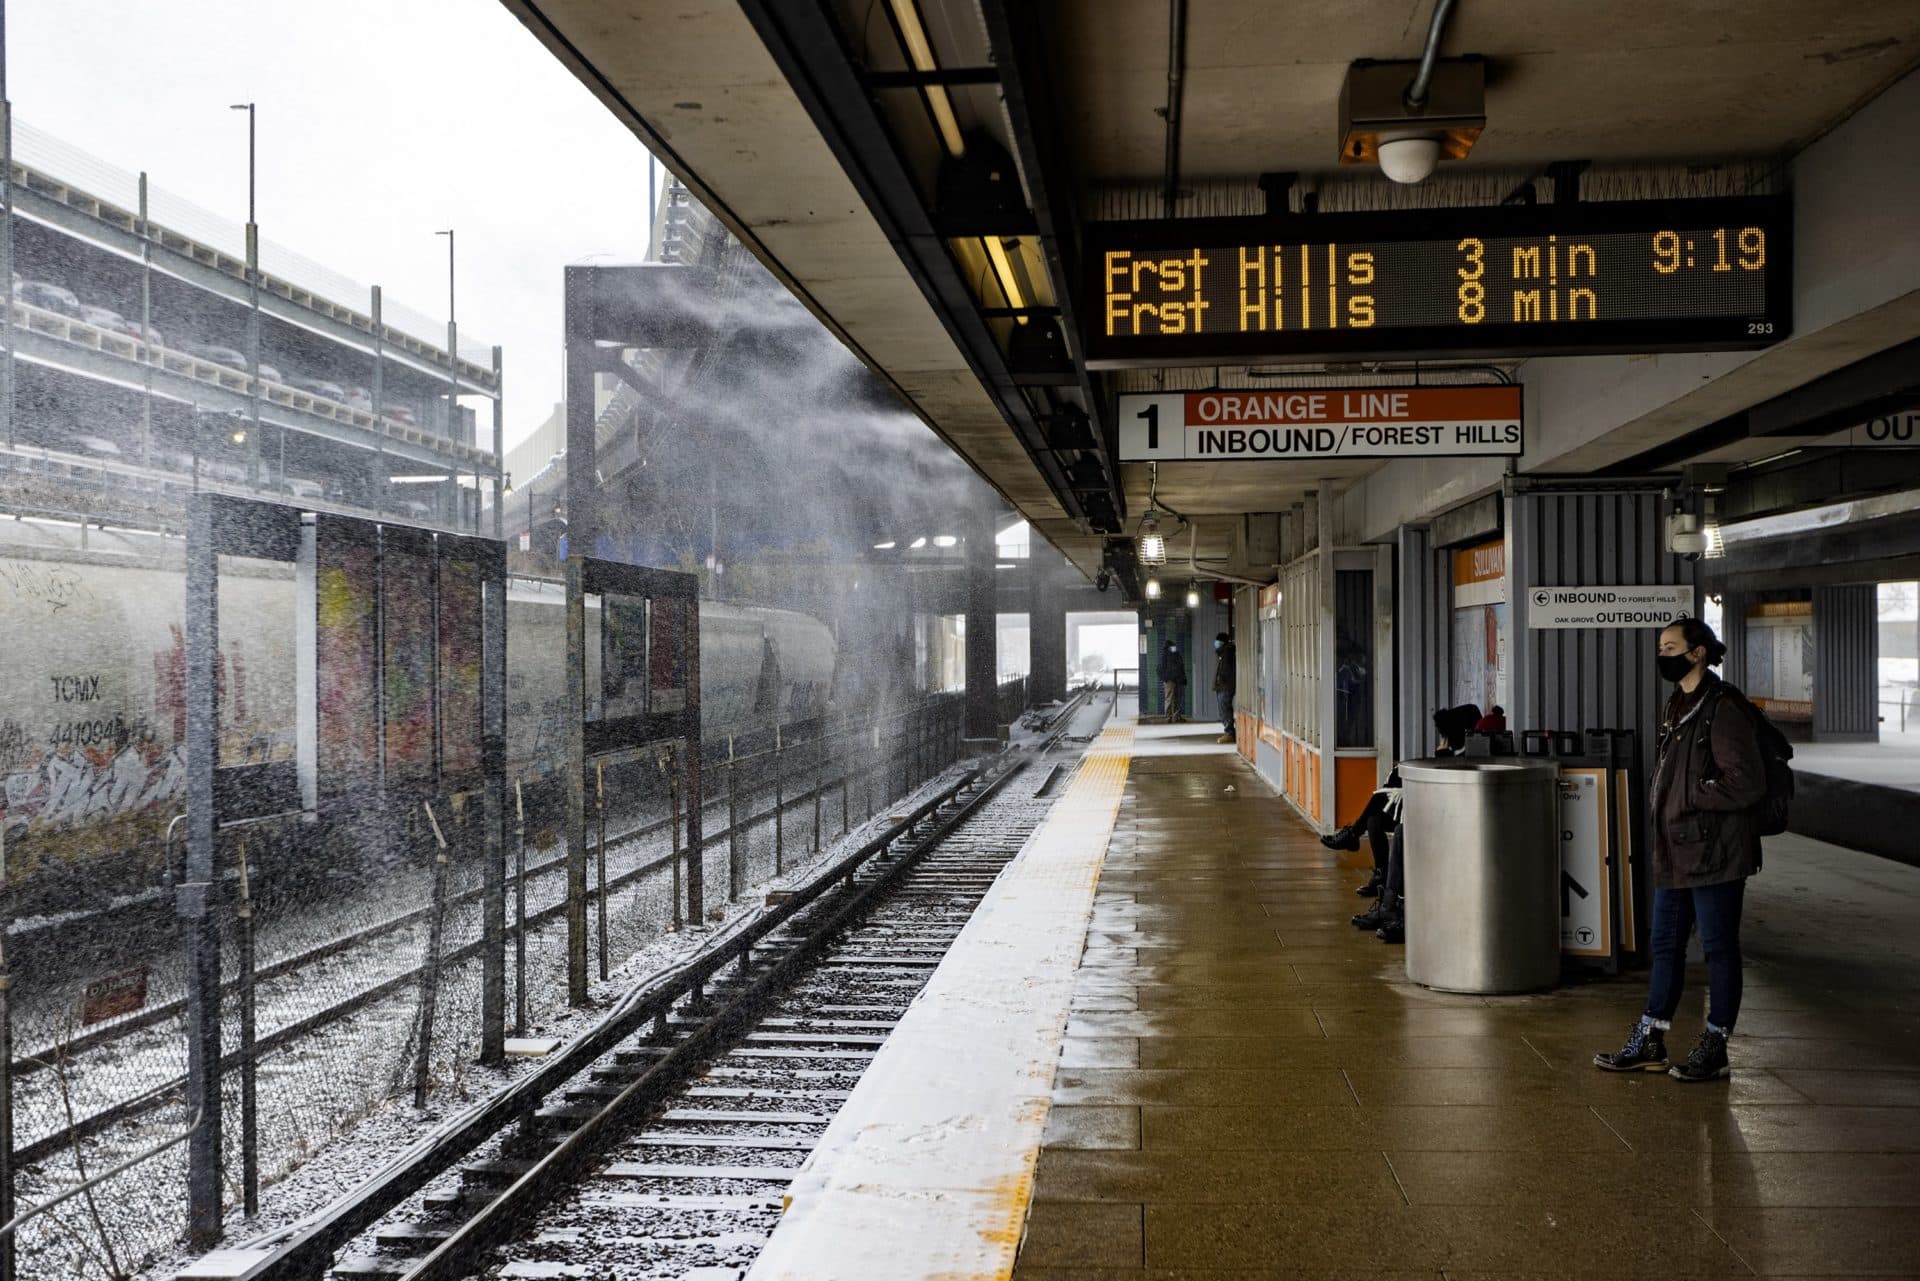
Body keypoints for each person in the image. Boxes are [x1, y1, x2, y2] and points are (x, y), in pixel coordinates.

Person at [1596, 617, 1767, 1083]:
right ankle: (1650, 1038)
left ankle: (1716, 1045)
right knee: (1665, 945)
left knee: (1718, 949)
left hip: (1715, 855)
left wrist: (1692, 795)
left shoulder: (1723, 707)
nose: (1662, 656)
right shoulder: (1679, 702)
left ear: (1697, 653)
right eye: (1660, 648)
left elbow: (1747, 783)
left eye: (1670, 648)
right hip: (1676, 849)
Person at [1349, 703, 1481, 943]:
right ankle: (1390, 906)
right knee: (1394, 827)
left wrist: (1443, 761)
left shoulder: (1470, 759)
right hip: (1448, 824)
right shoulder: (1456, 756)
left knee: (1398, 827)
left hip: (1462, 831)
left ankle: (1391, 905)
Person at [1212, 631, 1236, 743]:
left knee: (1225, 709)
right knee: (1223, 709)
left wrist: (1220, 682)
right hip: (1222, 686)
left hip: (1225, 686)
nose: (1215, 643)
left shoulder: (1227, 652)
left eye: (1217, 641)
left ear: (1221, 642)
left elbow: (1225, 671)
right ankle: (1229, 731)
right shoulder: (1222, 653)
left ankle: (1229, 733)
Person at [1159, 637, 1186, 722]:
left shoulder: (1175, 654)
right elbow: (1161, 668)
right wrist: (1166, 678)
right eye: (1172, 646)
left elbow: (1181, 667)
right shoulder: (1166, 654)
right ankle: (1169, 717)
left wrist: (1183, 678)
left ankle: (1175, 717)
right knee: (1170, 698)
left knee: (1175, 699)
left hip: (1176, 679)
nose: (1174, 648)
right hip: (1170, 680)